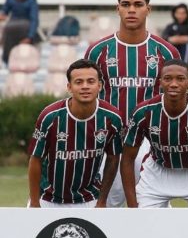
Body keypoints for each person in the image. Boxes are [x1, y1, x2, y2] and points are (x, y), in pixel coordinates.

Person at [85, 0, 180, 207]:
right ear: (117, 8)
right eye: (125, 4)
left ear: (148, 9)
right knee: (107, 208)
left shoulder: (166, 51)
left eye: (138, 4)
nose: (131, 10)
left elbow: (176, 99)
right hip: (109, 140)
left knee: (151, 209)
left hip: (150, 142)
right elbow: (85, 96)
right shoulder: (98, 51)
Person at [121, 59, 188, 208]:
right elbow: (127, 158)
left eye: (180, 79)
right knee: (144, 227)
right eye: (168, 79)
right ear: (160, 82)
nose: (174, 84)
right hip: (158, 172)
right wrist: (132, 206)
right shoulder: (143, 112)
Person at [28, 59, 123, 208]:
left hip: (89, 198)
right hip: (46, 197)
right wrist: (34, 203)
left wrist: (102, 201)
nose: (85, 86)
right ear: (69, 87)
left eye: (90, 81)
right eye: (79, 82)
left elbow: (113, 158)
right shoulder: (50, 116)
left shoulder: (112, 118)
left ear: (100, 86)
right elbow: (35, 159)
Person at [0, 0, 40, 64]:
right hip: (12, 24)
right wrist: (2, 14)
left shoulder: (32, 1)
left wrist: (30, 37)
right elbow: (5, 10)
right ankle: (7, 60)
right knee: (8, 28)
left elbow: (34, 20)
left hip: (27, 25)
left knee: (11, 29)